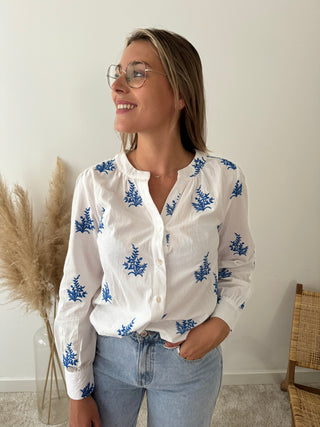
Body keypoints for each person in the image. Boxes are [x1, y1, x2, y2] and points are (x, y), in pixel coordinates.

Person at [55, 28, 255, 427]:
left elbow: (238, 265)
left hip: (188, 365)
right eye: (118, 72)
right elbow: (76, 289)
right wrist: (78, 391)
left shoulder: (223, 180)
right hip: (109, 359)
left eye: (137, 73)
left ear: (181, 94)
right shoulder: (98, 184)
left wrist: (219, 324)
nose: (117, 86)